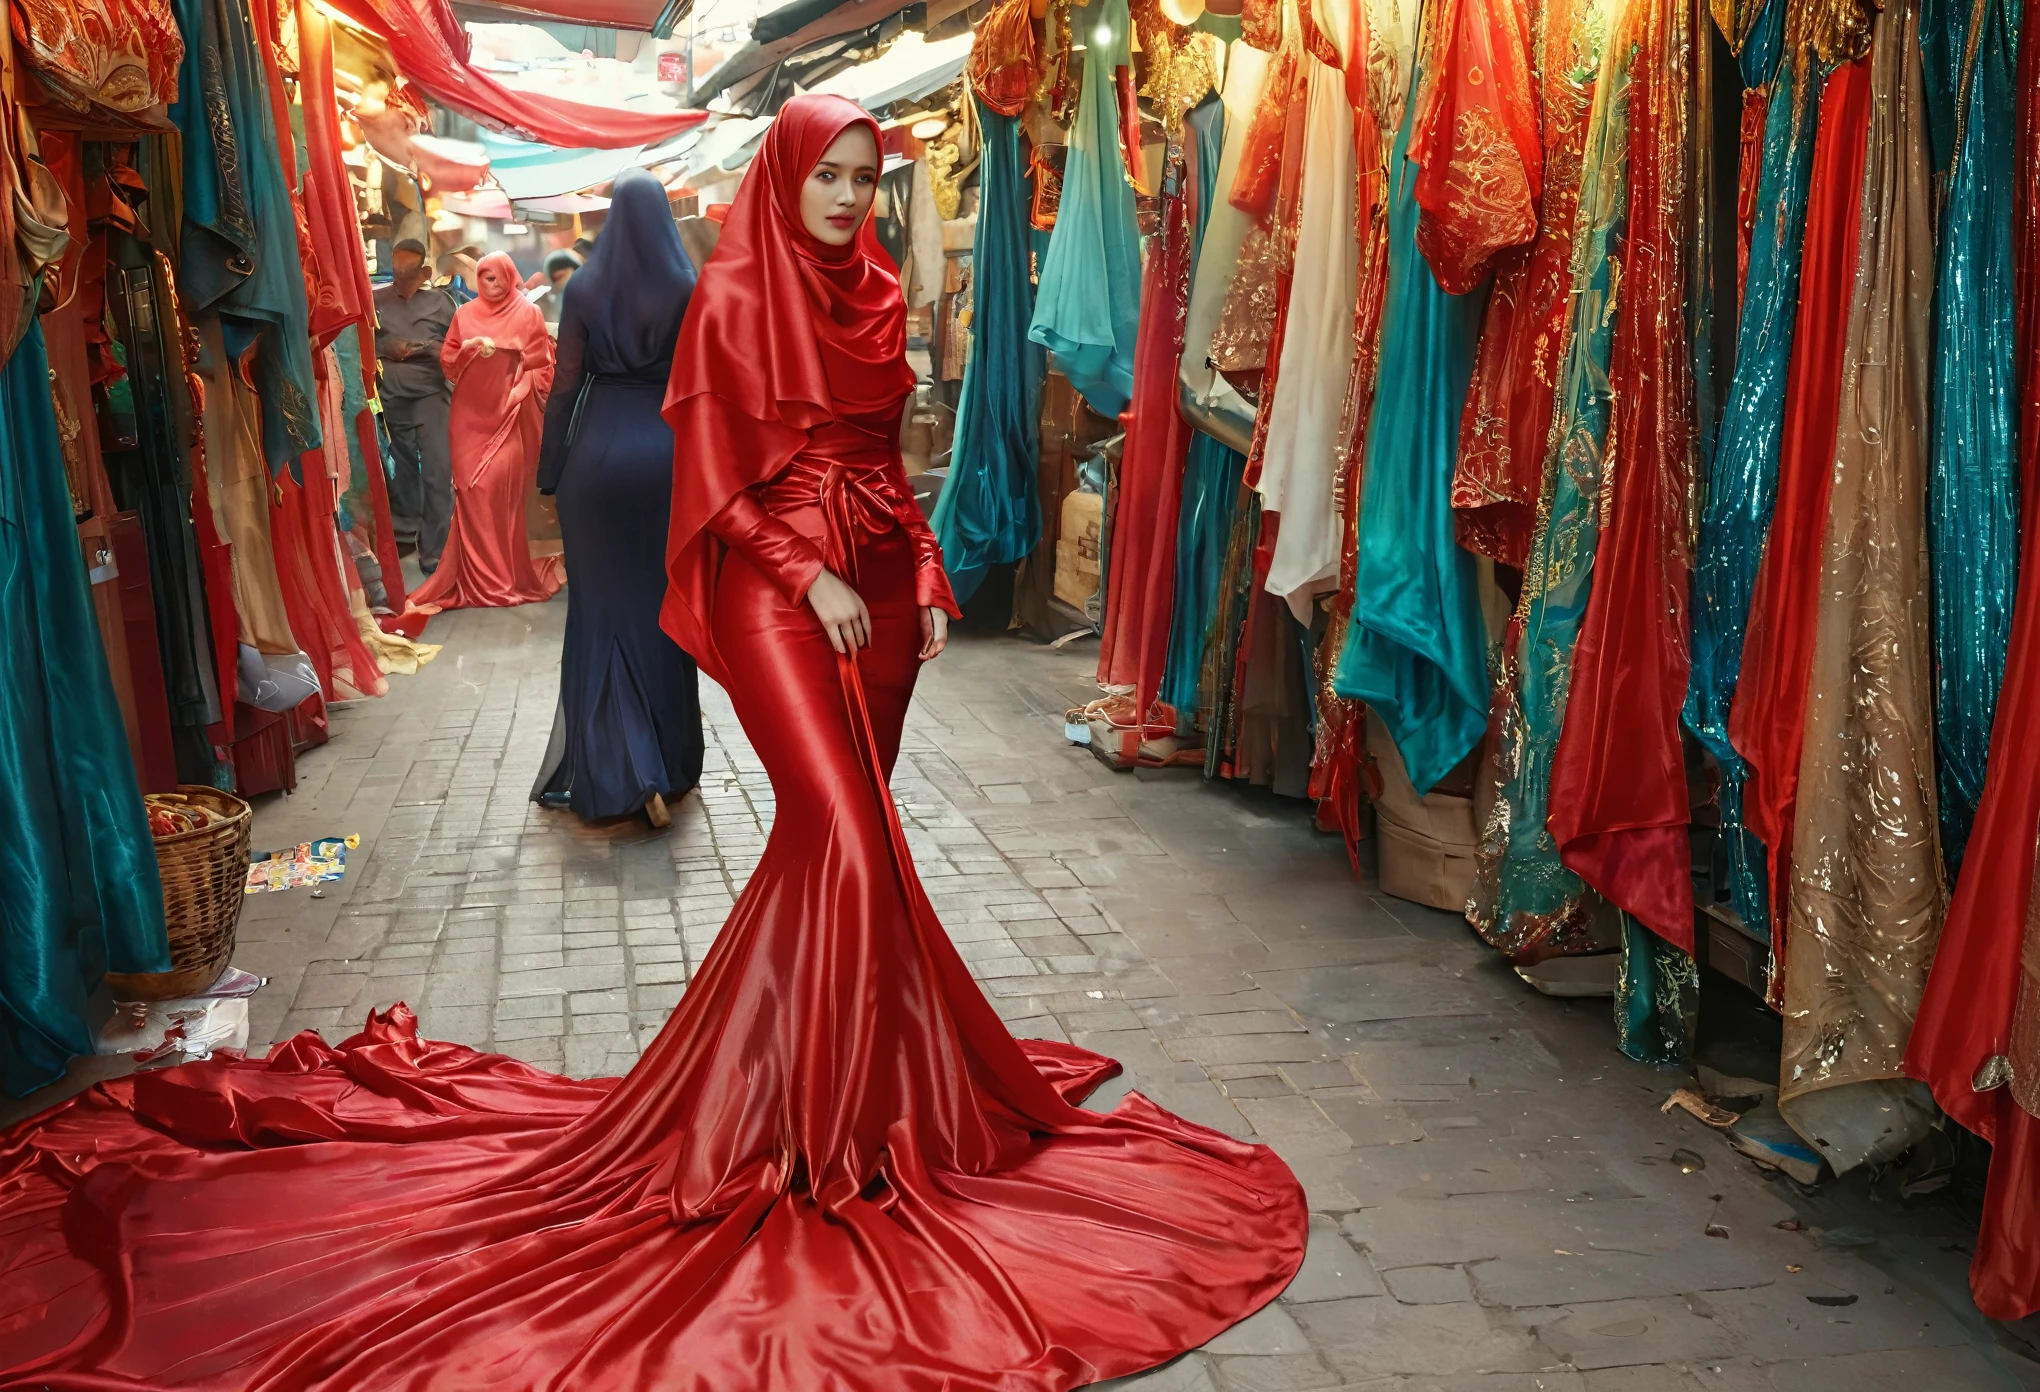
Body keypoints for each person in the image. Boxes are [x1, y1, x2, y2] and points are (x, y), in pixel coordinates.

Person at [0, 97, 1304, 1391]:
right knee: (847, 838)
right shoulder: (734, 298)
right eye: (830, 176)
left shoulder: (866, 294)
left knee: (827, 846)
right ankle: (834, 1127)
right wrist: (814, 573)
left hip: (884, 597)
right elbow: (721, 482)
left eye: (865, 178)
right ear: (787, 174)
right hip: (780, 585)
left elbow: (890, 467)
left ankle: (829, 1085)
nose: (848, 199)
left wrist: (925, 573)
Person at [530, 171, 703, 826]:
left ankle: (623, 770)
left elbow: (564, 386)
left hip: (595, 461)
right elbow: (698, 387)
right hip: (665, 460)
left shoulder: (585, 285)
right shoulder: (686, 287)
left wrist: (550, 475)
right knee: (662, 610)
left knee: (600, 612)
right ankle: (665, 760)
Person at [401, 251, 564, 614]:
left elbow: (541, 367)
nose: (491, 284)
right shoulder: (464, 314)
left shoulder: (529, 313)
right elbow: (448, 363)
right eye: (484, 277)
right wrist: (471, 352)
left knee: (501, 496)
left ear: (510, 276)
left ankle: (503, 578)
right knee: (472, 492)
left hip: (509, 418)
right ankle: (478, 579)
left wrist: (515, 386)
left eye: (497, 277)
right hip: (469, 419)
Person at [373, 237, 456, 570]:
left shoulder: (441, 301)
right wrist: (389, 344)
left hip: (431, 395)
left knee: (437, 471)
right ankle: (406, 533)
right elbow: (365, 337)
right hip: (392, 396)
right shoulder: (376, 299)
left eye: (408, 270)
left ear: (424, 271)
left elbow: (457, 344)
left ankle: (436, 550)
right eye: (396, 267)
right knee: (401, 472)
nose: (400, 274)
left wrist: (426, 347)